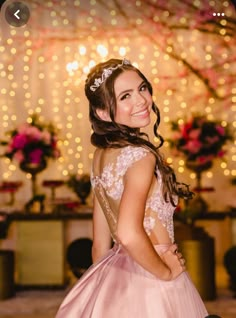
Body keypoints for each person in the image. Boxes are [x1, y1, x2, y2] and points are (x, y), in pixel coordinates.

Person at [56, 58, 208, 317]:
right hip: (153, 270)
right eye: (125, 96)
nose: (141, 100)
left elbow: (100, 244)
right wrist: (166, 271)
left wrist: (104, 291)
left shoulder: (101, 155)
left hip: (115, 269)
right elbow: (127, 232)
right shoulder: (140, 156)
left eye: (142, 88)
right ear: (103, 112)